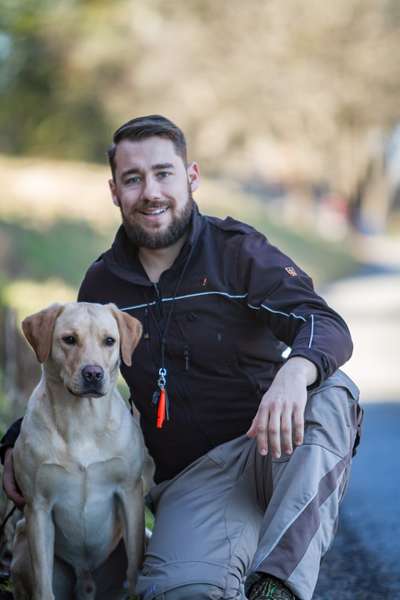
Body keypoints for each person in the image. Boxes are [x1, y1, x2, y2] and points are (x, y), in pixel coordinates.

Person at [1, 115, 362, 600]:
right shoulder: (103, 286)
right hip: (197, 479)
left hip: (275, 445)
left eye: (163, 173)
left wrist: (294, 373)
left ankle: (278, 582)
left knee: (332, 391)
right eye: (133, 179)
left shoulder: (238, 254)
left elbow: (325, 323)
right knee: (181, 592)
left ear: (191, 177)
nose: (150, 191)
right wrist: (14, 442)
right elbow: (79, 374)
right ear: (115, 191)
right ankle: (235, 549)